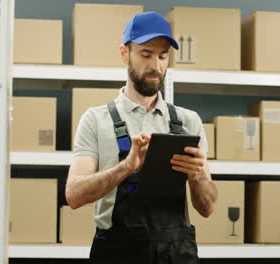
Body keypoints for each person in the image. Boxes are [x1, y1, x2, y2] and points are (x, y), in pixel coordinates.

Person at [65, 11, 218, 264]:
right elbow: (74, 195)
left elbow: (208, 208)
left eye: (163, 56)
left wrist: (197, 174)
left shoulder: (189, 122)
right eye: (146, 54)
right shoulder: (95, 119)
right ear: (125, 54)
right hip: (116, 253)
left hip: (176, 253)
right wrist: (127, 167)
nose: (156, 66)